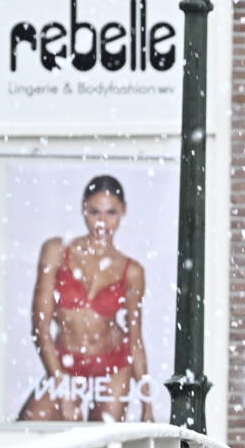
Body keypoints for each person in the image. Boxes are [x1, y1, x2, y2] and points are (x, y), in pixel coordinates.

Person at [17, 175, 151, 424]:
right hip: (67, 363)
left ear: (123, 211)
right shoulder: (57, 252)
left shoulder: (131, 271)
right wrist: (61, 384)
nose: (102, 222)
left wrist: (147, 405)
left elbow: (135, 340)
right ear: (83, 209)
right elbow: (40, 327)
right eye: (94, 212)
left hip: (112, 364)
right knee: (31, 425)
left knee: (105, 440)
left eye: (111, 213)